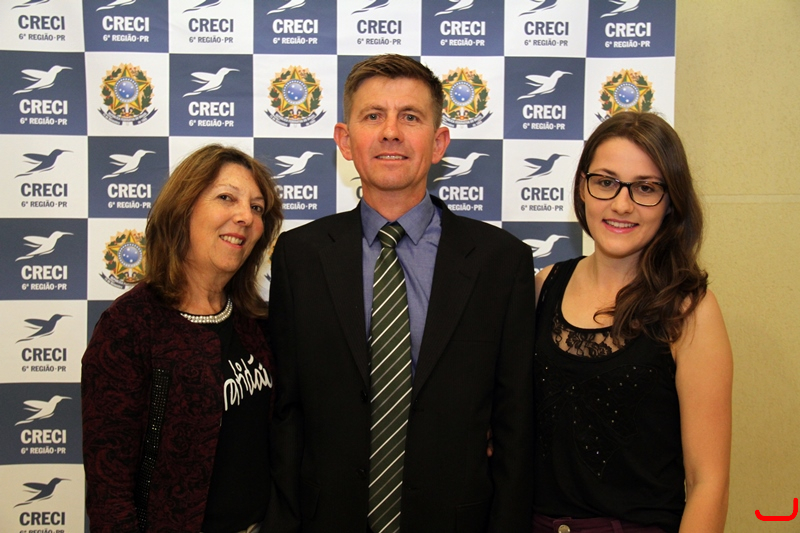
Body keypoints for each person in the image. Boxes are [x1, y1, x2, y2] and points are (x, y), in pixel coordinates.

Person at [267, 54, 536, 533]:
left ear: (438, 143)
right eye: (373, 116)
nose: (391, 132)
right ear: (345, 140)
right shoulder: (299, 257)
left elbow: (516, 425)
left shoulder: (500, 261)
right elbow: (287, 415)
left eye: (410, 117)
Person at [532, 112, 732, 533]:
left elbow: (707, 483)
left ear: (670, 201)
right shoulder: (543, 285)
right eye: (606, 182)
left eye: (645, 188)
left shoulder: (690, 310)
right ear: (583, 187)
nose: (622, 204)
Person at [82, 144, 282, 533]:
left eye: (257, 208)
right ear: (183, 208)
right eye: (226, 198)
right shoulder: (129, 327)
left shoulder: (258, 323)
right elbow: (109, 492)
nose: (245, 216)